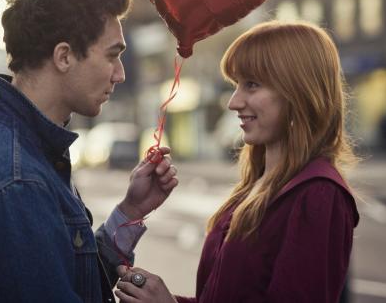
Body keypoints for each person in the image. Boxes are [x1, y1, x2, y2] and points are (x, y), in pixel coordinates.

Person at [0, 0, 179, 303]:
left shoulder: (28, 151)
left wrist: (130, 211)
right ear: (64, 56)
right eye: (113, 55)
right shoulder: (18, 179)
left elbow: (76, 276)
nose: (120, 74)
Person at [116, 20, 359, 303]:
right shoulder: (256, 187)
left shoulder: (317, 194)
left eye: (251, 85)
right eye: (236, 85)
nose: (233, 102)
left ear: (297, 92)